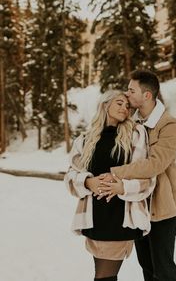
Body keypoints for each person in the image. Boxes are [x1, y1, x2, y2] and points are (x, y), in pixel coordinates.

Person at [98, 70, 176, 281]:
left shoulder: (168, 125)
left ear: (146, 95)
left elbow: (155, 164)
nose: (127, 94)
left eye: (131, 90)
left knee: (162, 268)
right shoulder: (130, 123)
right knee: (145, 265)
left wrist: (116, 172)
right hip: (136, 205)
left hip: (161, 208)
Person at [64, 90, 156, 281]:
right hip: (94, 218)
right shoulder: (86, 139)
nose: (125, 108)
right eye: (119, 103)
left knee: (103, 277)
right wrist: (88, 182)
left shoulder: (134, 135)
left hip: (120, 217)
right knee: (104, 277)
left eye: (127, 106)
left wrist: (122, 187)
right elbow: (70, 175)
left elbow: (147, 177)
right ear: (105, 105)